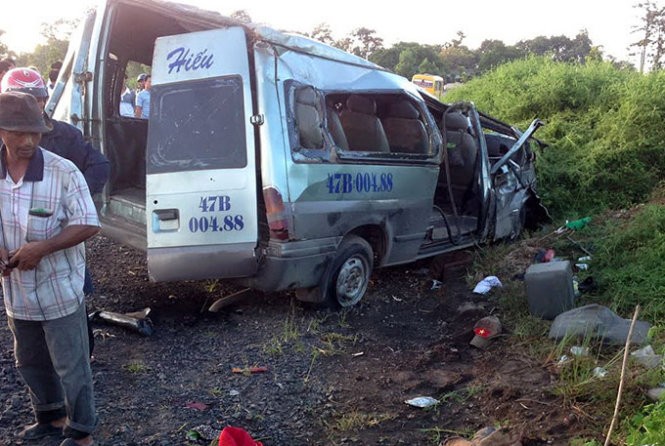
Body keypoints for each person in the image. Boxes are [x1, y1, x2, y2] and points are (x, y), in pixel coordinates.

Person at [0, 91, 100, 446]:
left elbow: (88, 222)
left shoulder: (62, 171)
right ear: (1, 131)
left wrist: (43, 248)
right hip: (17, 292)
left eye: (35, 133)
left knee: (73, 367)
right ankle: (51, 418)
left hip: (59, 288)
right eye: (18, 133)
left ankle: (82, 433)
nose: (28, 141)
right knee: (28, 360)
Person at [1, 67, 110, 356]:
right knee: (28, 341)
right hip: (17, 254)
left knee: (72, 295)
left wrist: (73, 201)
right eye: (21, 99)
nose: (27, 140)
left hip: (61, 236)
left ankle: (82, 353)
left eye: (36, 99)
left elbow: (99, 165)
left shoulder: (65, 135)